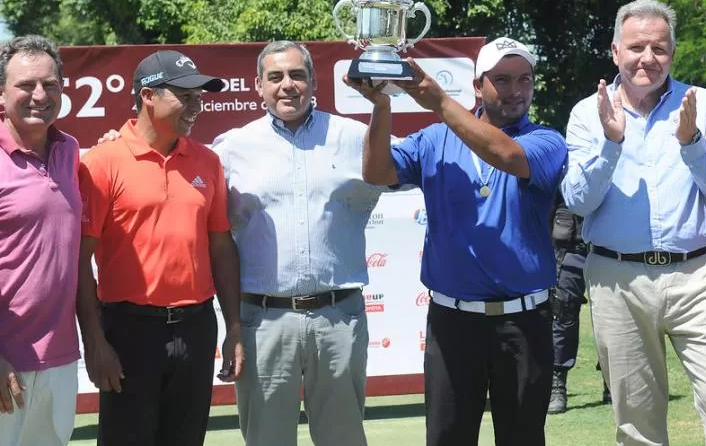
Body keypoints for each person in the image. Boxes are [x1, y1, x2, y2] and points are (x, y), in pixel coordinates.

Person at [348, 37, 567, 446]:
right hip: (453, 322)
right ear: (478, 86)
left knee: (522, 439)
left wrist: (440, 102)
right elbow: (377, 173)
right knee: (448, 438)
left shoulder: (546, 141)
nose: (516, 90)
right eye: (502, 80)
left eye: (525, 80)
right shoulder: (434, 139)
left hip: (524, 321)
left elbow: (506, 155)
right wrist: (382, 106)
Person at [561, 0, 706, 445]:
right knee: (637, 422)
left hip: (697, 275)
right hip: (617, 280)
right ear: (615, 52)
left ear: (672, 52)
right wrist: (611, 143)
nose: (647, 58)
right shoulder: (585, 113)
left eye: (659, 48)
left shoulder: (702, 103)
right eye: (636, 47)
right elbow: (577, 200)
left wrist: (692, 143)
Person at [211, 40, 391, 446]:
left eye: (297, 75)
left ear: (313, 83)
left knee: (343, 439)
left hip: (339, 318)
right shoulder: (231, 147)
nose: (287, 85)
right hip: (264, 322)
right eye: (275, 77)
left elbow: (413, 171)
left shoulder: (354, 136)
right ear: (257, 86)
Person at [76, 50, 244, 446]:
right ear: (148, 96)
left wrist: (235, 326)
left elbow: (221, 246)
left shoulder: (208, 161)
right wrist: (95, 341)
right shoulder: (102, 162)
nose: (196, 106)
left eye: (199, 97)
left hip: (197, 326)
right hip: (128, 331)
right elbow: (79, 261)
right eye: (185, 96)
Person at [0, 35, 81, 446]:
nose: (39, 95)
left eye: (50, 85)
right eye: (25, 85)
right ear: (1, 94)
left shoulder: (70, 150)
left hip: (60, 360)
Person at [547, 198, 610, 414]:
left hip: (605, 248)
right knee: (562, 313)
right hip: (567, 247)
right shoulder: (559, 163)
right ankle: (557, 384)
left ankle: (612, 381)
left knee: (612, 315)